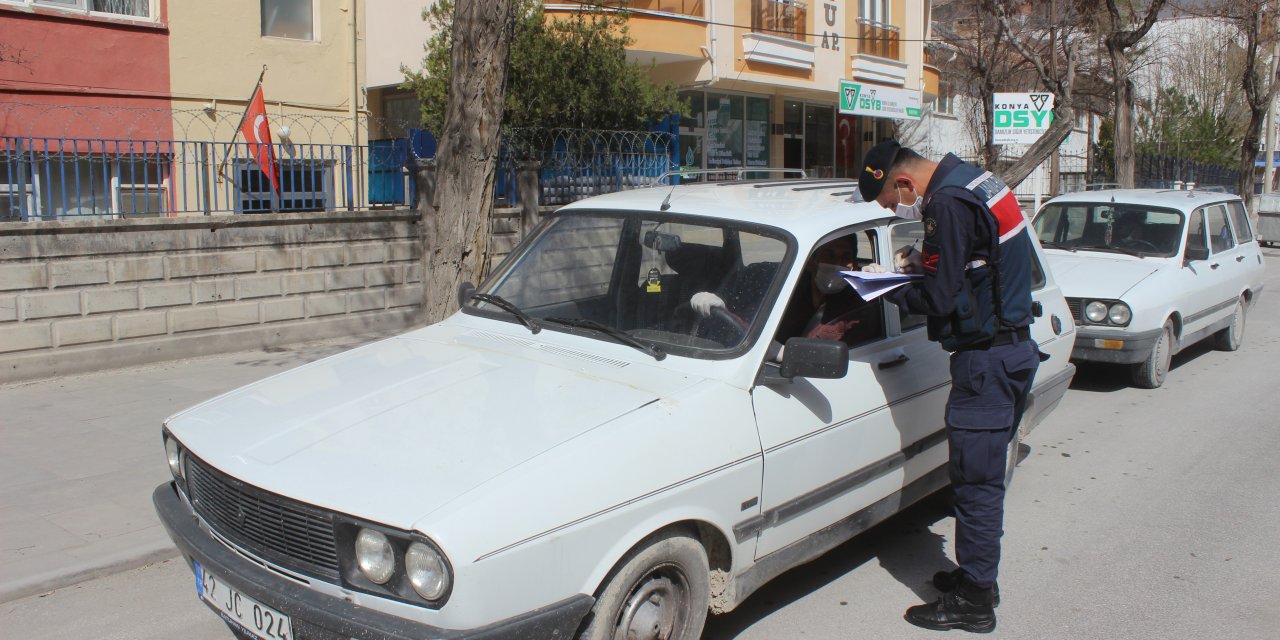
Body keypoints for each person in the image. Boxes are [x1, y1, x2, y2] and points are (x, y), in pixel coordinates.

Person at [858, 140, 1040, 634]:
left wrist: (891, 281)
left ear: (904, 183)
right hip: (1009, 349)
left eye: (895, 203)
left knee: (976, 486)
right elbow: (974, 265)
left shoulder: (947, 201)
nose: (903, 209)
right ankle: (975, 577)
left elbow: (940, 299)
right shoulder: (975, 180)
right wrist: (922, 259)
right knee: (980, 478)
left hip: (988, 362)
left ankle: (975, 602)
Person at [690, 235, 880, 356]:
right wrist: (721, 300)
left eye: (845, 257)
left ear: (854, 265)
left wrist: (883, 284)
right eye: (829, 255)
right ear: (810, 263)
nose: (837, 264)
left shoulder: (856, 303)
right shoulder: (784, 285)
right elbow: (747, 304)